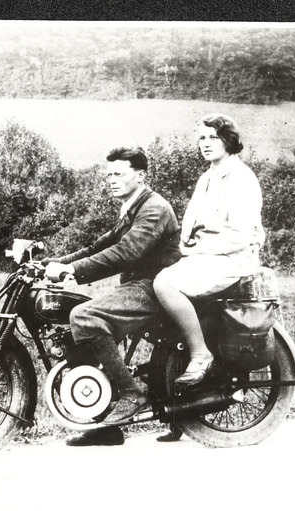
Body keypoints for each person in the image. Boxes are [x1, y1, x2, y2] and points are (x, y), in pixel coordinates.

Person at [44, 147, 181, 446]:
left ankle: (132, 394)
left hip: (155, 288)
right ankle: (106, 425)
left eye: (119, 173)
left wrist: (72, 271)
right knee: (82, 326)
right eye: (109, 175)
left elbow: (126, 252)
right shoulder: (133, 207)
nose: (111, 180)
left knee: (84, 316)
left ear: (140, 175)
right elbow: (98, 247)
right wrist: (52, 264)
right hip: (137, 286)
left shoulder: (154, 208)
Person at [153, 114, 264, 385]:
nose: (205, 143)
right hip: (209, 256)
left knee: (164, 284)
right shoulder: (208, 177)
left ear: (229, 140)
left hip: (232, 260)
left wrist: (197, 251)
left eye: (213, 137)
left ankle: (201, 354)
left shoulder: (241, 178)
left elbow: (240, 237)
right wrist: (185, 244)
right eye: (201, 138)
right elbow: (192, 224)